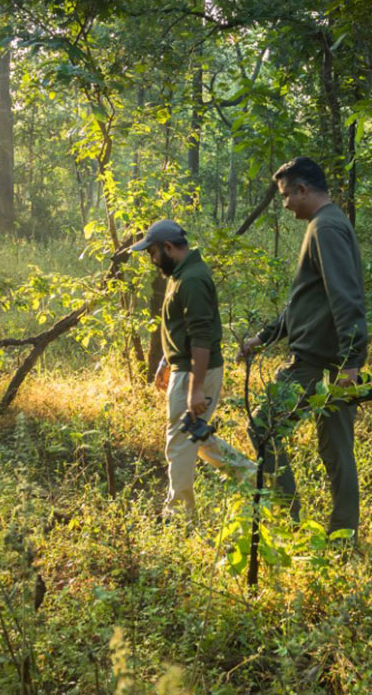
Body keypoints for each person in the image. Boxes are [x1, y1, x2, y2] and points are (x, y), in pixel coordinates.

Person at [238, 157, 369, 534]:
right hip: (329, 360)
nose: (284, 204)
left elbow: (346, 297)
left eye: (285, 196)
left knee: (264, 428)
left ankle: (287, 520)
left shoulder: (326, 228)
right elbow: (307, 300)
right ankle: (342, 534)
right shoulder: (326, 225)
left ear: (303, 189)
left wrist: (350, 362)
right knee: (336, 451)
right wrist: (264, 337)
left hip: (317, 364)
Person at [132, 219, 256, 520]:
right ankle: (254, 477)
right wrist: (166, 360)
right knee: (193, 435)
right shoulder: (181, 273)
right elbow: (181, 327)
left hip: (193, 372)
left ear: (168, 247)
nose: (151, 259)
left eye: (152, 253)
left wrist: (195, 387)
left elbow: (201, 337)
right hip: (184, 367)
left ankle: (178, 514)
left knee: (178, 441)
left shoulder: (192, 279)